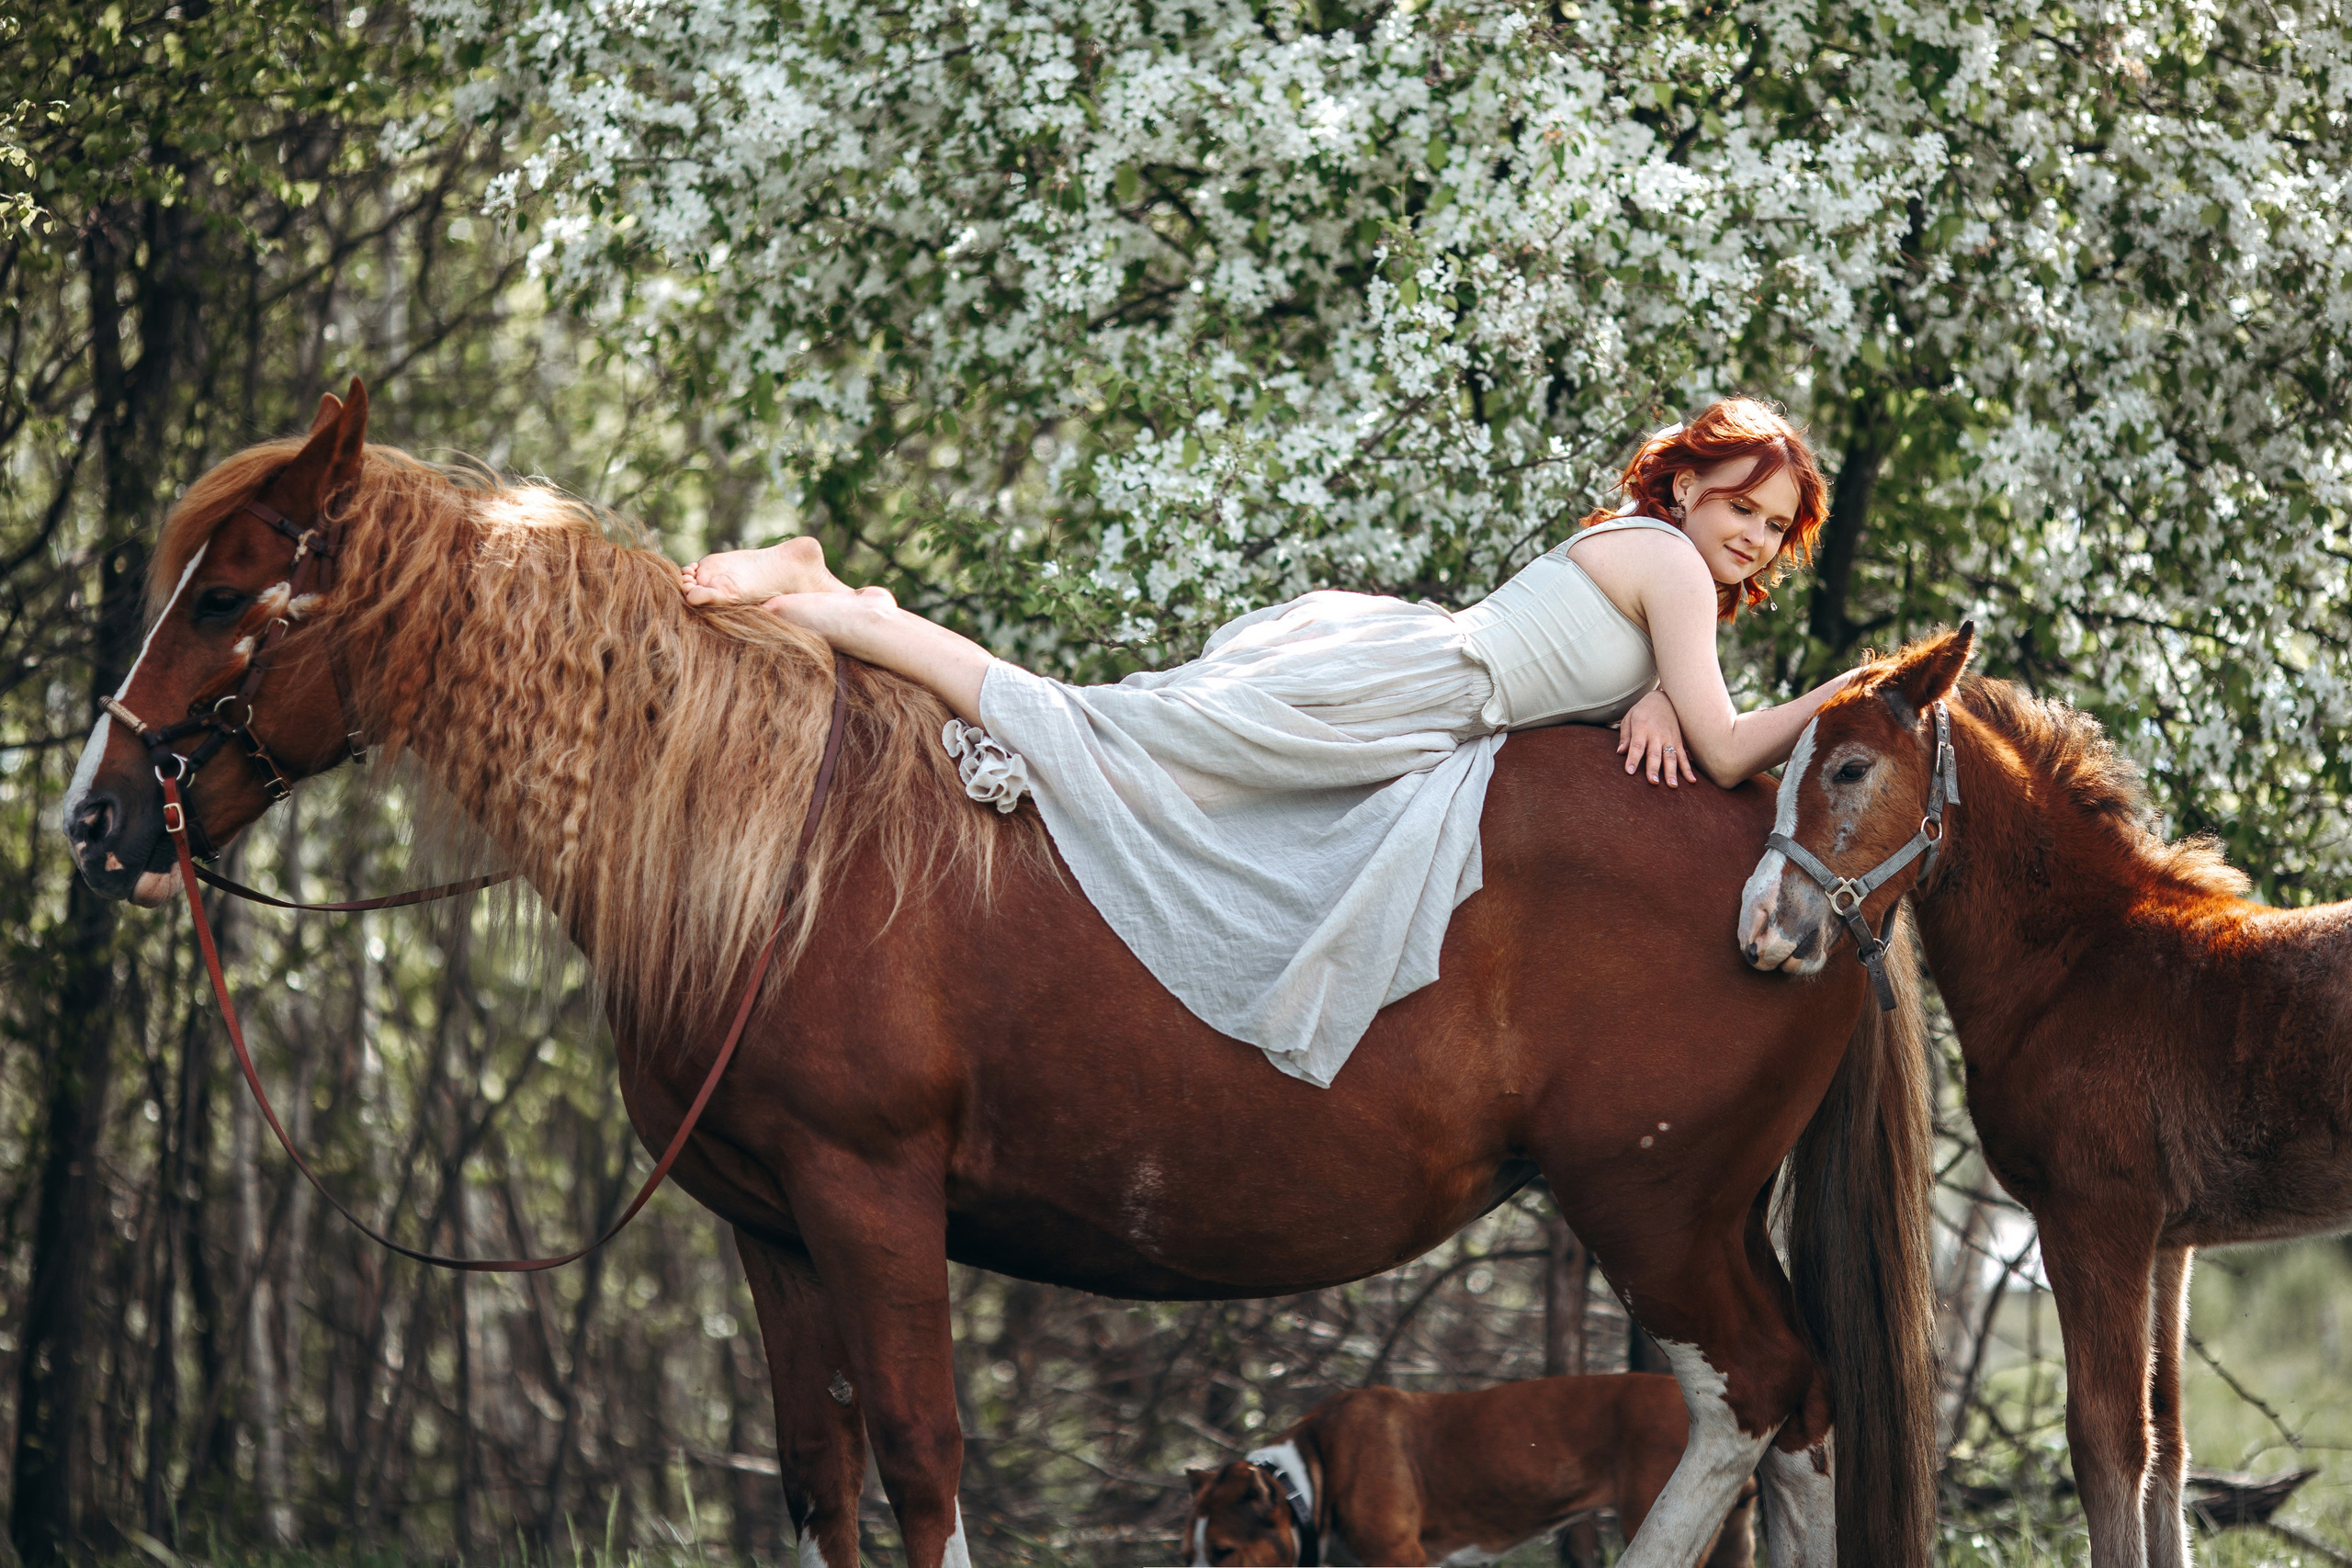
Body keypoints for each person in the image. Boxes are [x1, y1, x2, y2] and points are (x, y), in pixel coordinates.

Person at [680, 399, 1853, 1087]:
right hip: (1407, 691)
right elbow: (1730, 751)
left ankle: (864, 609)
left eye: (1773, 526)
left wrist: (1650, 699)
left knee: (1132, 764)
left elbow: (1664, 705)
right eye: (1737, 506)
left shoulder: (1660, 567)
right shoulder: (1671, 566)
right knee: (1110, 751)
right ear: (1684, 488)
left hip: (1416, 692)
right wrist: (1849, 693)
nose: (1752, 538)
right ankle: (834, 602)